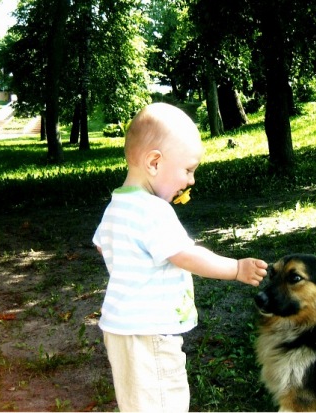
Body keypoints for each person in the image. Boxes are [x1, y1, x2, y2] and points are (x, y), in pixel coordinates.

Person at [93, 102, 268, 412]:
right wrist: (235, 268)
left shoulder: (117, 205)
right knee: (165, 402)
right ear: (154, 163)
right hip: (149, 333)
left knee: (139, 404)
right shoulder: (153, 210)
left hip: (121, 330)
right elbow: (186, 255)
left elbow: (102, 245)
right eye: (188, 170)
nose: (191, 181)